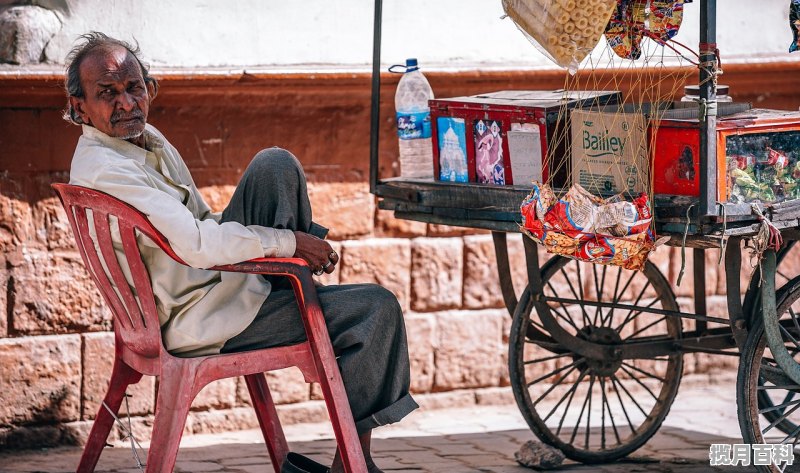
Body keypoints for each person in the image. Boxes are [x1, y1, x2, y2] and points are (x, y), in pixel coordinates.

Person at [63, 32, 416, 473]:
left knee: (274, 165)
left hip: (213, 285)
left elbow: (203, 222)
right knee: (374, 309)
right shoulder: (108, 170)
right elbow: (196, 245)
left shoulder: (144, 140)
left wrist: (279, 245)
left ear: (148, 88)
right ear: (79, 108)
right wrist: (291, 243)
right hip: (203, 319)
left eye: (134, 88)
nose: (127, 104)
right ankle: (354, 462)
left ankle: (293, 285)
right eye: (107, 94)